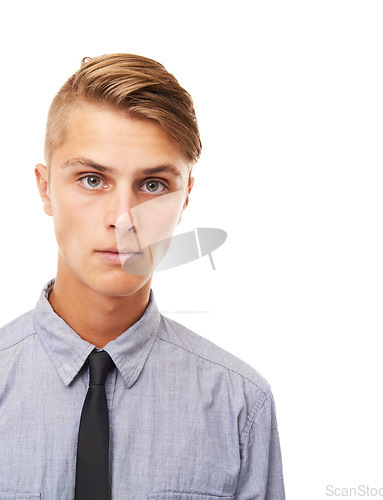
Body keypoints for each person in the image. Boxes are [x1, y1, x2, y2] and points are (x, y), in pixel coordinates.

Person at [0, 53, 285, 499]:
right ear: (45, 188)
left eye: (153, 185)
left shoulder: (239, 405)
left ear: (185, 195)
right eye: (92, 180)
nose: (124, 219)